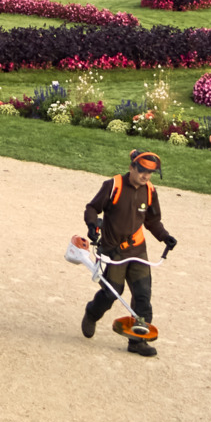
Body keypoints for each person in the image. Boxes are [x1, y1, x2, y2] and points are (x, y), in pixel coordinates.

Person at [79, 149, 178, 357]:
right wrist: (91, 226)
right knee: (111, 293)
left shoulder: (149, 191)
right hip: (113, 252)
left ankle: (137, 342)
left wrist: (164, 236)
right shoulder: (113, 186)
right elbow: (92, 208)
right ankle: (91, 313)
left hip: (138, 250)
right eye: (142, 171)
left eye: (149, 173)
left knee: (143, 295)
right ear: (131, 167)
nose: (145, 176)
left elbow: (152, 221)